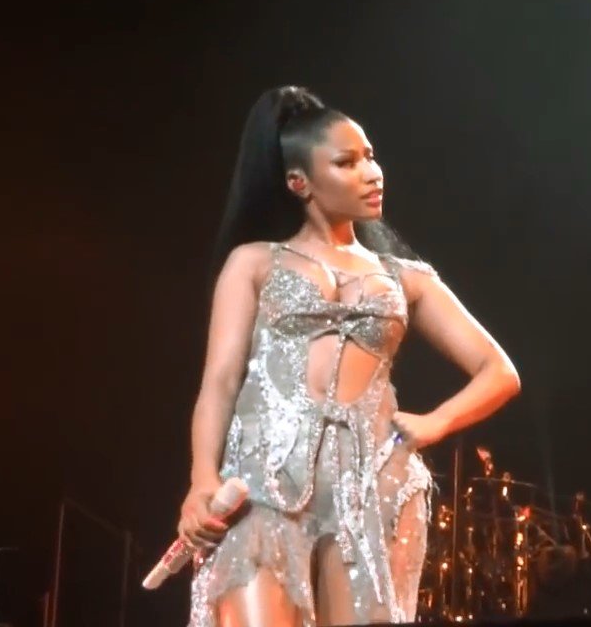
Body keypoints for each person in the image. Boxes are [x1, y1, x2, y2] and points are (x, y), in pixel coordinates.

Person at [178, 86, 522, 627]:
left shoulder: (405, 277)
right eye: (347, 162)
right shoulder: (254, 263)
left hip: (371, 488)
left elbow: (499, 371)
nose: (372, 172)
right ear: (300, 182)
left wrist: (436, 422)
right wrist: (202, 479)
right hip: (263, 485)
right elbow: (219, 383)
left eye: (370, 157)